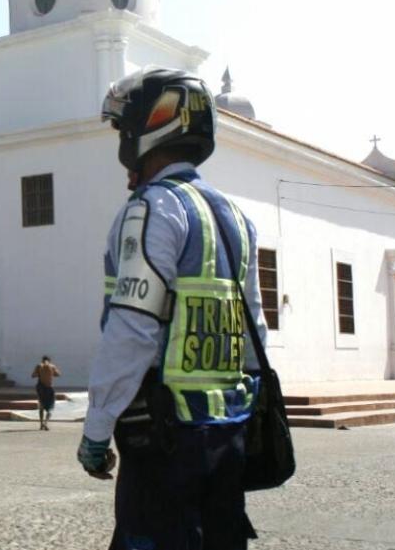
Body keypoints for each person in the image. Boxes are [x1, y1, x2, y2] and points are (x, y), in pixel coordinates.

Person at [76, 68, 267, 549]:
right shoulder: (234, 217)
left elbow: (133, 328)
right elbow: (254, 332)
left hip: (164, 438)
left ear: (148, 127)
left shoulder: (153, 208)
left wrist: (97, 429)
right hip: (228, 434)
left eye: (125, 130)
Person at [31, 356, 60, 431]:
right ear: (49, 361)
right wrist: (50, 373)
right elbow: (58, 374)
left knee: (41, 406)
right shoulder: (52, 366)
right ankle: (46, 423)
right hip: (49, 388)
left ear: (42, 360)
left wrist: (40, 374)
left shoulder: (39, 366)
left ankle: (41, 424)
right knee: (51, 407)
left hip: (40, 389)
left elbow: (33, 375)